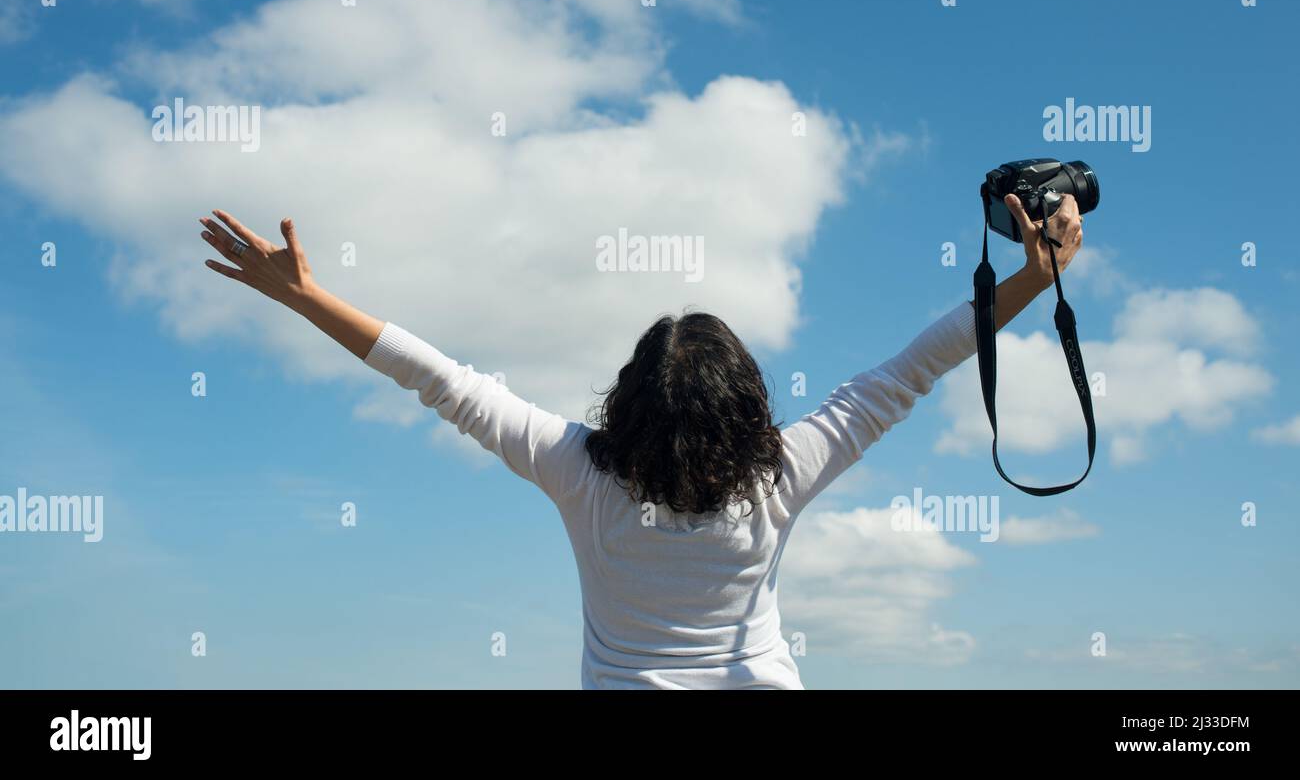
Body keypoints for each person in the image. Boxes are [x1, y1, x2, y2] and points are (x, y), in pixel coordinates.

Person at [199, 193, 1082, 689]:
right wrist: (1031, 282)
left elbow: (441, 381)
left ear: (626, 404)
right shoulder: (781, 474)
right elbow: (911, 370)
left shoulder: (580, 472)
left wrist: (308, 300)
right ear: (747, 410)